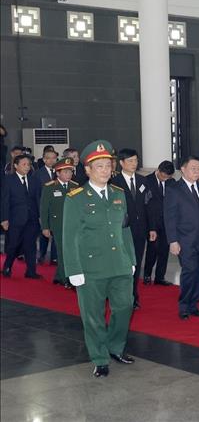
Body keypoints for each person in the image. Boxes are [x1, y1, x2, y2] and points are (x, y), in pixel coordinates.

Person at [62, 140, 136, 377]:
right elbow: (69, 236)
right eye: (100, 166)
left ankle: (115, 347)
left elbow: (125, 230)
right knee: (93, 316)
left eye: (108, 165)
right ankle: (100, 357)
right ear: (87, 170)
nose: (105, 170)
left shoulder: (118, 194)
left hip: (120, 265)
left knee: (124, 308)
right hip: (91, 267)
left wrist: (131, 259)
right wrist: (74, 269)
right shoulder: (76, 197)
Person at [164, 156, 199, 320]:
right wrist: (173, 240)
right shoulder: (174, 189)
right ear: (183, 169)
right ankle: (184, 305)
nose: (197, 171)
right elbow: (170, 217)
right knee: (189, 271)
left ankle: (193, 304)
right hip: (185, 240)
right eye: (193, 168)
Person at [111, 149, 157, 310]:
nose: (134, 164)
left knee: (136, 263)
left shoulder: (143, 180)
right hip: (121, 231)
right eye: (130, 161)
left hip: (140, 230)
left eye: (135, 161)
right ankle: (118, 295)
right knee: (121, 264)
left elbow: (150, 206)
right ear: (121, 163)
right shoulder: (114, 182)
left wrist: (152, 227)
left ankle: (133, 296)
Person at [1, 154, 43, 279]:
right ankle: (7, 267)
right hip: (15, 219)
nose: (27, 167)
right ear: (16, 165)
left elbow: (38, 200)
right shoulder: (8, 180)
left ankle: (31, 271)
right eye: (24, 164)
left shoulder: (34, 180)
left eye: (29, 164)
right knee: (13, 245)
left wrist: (40, 216)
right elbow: (4, 201)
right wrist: (4, 219)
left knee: (31, 245)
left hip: (32, 219)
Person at [39, 157, 79, 287]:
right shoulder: (50, 187)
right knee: (63, 252)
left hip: (73, 225)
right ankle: (65, 278)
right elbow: (44, 208)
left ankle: (59, 276)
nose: (69, 174)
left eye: (70, 171)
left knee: (72, 251)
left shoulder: (75, 186)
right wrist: (45, 227)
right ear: (58, 173)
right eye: (65, 172)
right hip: (58, 225)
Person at [143, 160, 175, 286]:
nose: (165, 179)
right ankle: (147, 274)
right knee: (153, 249)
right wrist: (151, 226)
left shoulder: (171, 182)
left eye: (168, 177)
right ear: (158, 170)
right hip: (152, 222)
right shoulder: (146, 181)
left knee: (164, 250)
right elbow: (146, 205)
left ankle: (160, 277)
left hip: (167, 222)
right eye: (163, 176)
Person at [35, 148, 59, 264]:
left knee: (56, 234)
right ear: (44, 159)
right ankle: (42, 254)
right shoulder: (38, 174)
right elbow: (36, 194)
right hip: (44, 209)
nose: (51, 160)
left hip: (57, 209)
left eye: (54, 158)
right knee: (44, 233)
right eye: (48, 158)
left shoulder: (60, 172)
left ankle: (54, 257)